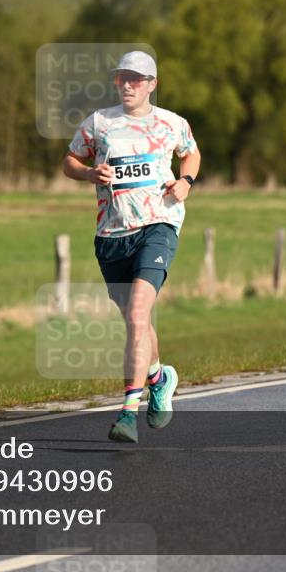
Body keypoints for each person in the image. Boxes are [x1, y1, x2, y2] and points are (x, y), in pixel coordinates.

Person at [63, 51, 200, 443]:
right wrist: (89, 172)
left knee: (139, 311)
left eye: (136, 79)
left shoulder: (171, 123)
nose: (128, 84)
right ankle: (159, 376)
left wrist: (186, 181)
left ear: (152, 84)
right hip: (111, 234)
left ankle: (127, 413)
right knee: (135, 320)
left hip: (159, 223)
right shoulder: (99, 122)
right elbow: (69, 160)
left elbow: (190, 151)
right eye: (123, 77)